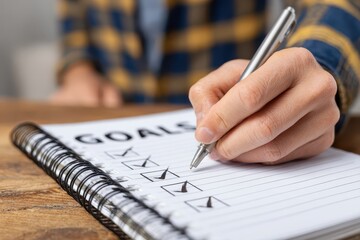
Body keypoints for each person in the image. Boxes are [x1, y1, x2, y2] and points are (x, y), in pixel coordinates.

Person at [51, 0, 360, 165]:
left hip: (246, 114)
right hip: (111, 110)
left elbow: (337, 3)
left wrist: (317, 67)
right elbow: (75, 9)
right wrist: (78, 68)